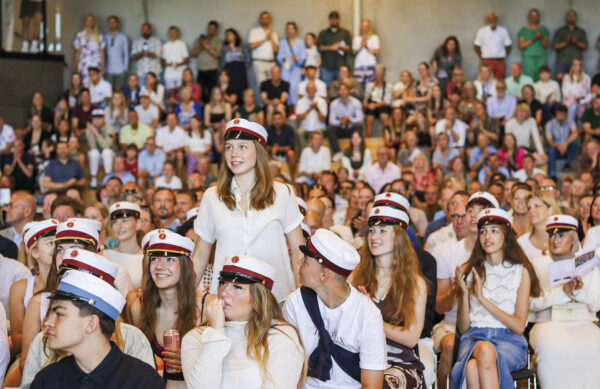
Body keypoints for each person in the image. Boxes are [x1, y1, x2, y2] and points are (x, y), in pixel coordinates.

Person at [193, 118, 304, 300]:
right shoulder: (211, 196)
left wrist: (303, 300)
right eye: (229, 147)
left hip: (275, 299)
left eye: (242, 147)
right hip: (225, 302)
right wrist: (183, 303)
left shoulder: (283, 193)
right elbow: (199, 257)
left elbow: (298, 252)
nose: (234, 154)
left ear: (258, 152)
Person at [181, 255, 306, 387]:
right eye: (223, 283)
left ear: (258, 298)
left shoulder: (280, 336)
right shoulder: (195, 337)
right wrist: (215, 331)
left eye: (237, 287)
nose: (224, 293)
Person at [284, 228, 386, 388]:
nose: (298, 263)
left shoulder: (367, 314)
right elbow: (288, 368)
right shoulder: (295, 303)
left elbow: (372, 386)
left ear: (324, 275)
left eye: (305, 261)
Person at [29, 270, 164, 388]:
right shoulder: (47, 381)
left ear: (91, 324)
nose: (48, 322)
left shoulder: (142, 382)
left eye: (59, 314)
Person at [452, 208, 539, 389]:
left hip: (509, 341)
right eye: (483, 231)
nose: (487, 236)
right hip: (473, 337)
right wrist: (465, 294)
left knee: (473, 367)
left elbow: (518, 325)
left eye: (494, 230)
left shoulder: (520, 272)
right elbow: (463, 327)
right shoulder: (471, 271)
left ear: (506, 236)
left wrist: (483, 300)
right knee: (481, 352)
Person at [352, 206, 427, 388]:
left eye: (383, 231)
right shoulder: (355, 276)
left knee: (380, 384)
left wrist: (372, 315)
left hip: (399, 362)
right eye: (371, 231)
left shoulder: (415, 284)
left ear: (398, 237)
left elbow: (411, 338)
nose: (374, 237)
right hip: (359, 357)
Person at [528, 215, 600, 389]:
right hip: (548, 323)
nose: (555, 240)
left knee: (595, 347)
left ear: (573, 239)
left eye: (561, 235)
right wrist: (561, 292)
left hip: (584, 322)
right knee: (553, 348)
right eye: (552, 235)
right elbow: (530, 303)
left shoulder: (588, 265)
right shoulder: (538, 265)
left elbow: (597, 305)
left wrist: (579, 290)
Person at [126, 230, 199, 387]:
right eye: (155, 259)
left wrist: (190, 361)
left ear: (184, 266)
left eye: (170, 259)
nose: (160, 266)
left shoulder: (203, 307)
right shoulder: (139, 308)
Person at [103, 202, 144, 289]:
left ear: (138, 224)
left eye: (125, 221)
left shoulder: (145, 259)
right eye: (115, 222)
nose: (119, 226)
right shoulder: (104, 256)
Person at [517, 190, 560, 260]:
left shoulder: (567, 238)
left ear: (550, 210)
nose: (531, 210)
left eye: (537, 206)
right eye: (529, 208)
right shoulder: (522, 242)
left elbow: (580, 266)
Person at [327, 82, 364, 159]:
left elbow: (360, 119)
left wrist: (349, 119)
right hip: (341, 129)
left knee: (359, 126)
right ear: (338, 92)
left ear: (349, 91)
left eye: (345, 89)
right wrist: (340, 122)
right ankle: (337, 152)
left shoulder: (356, 102)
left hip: (352, 130)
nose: (343, 92)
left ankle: (357, 151)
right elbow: (331, 120)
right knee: (330, 128)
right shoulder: (334, 103)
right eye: (341, 90)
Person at [473, 11, 512, 80]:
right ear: (487, 20)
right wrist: (482, 56)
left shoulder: (503, 31)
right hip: (487, 61)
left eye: (494, 19)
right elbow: (476, 46)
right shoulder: (482, 31)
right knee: (486, 80)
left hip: (500, 61)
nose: (492, 21)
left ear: (497, 20)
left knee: (499, 81)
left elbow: (508, 46)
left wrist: (503, 55)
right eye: (490, 19)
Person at [551, 10, 588, 81]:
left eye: (573, 16)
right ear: (566, 17)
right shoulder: (560, 31)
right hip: (562, 60)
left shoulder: (581, 31)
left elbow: (585, 47)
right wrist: (565, 42)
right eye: (569, 16)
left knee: (578, 79)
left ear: (576, 18)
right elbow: (554, 47)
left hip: (577, 60)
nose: (571, 18)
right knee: (560, 78)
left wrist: (576, 42)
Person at [317, 11, 352, 85]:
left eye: (335, 19)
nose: (333, 21)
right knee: (327, 88)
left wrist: (339, 47)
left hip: (341, 66)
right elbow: (319, 47)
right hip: (327, 66)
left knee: (343, 86)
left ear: (339, 20)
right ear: (329, 20)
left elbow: (349, 48)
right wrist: (331, 47)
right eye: (332, 19)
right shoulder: (323, 33)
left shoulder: (344, 33)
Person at [191, 21, 223, 103]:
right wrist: (201, 46)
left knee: (212, 92)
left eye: (213, 29)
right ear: (207, 29)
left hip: (213, 70)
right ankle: (203, 109)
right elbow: (192, 54)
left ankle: (212, 109)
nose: (211, 31)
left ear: (216, 31)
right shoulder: (199, 40)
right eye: (210, 29)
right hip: (201, 70)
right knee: (201, 92)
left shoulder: (218, 41)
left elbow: (217, 55)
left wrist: (207, 46)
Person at [277, 22, 306, 106]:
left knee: (295, 89)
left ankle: (295, 110)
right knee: (285, 89)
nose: (290, 31)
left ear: (295, 30)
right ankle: (287, 110)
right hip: (285, 69)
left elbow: (303, 58)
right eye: (288, 29)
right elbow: (279, 57)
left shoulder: (300, 42)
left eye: (292, 29)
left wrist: (297, 59)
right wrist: (283, 58)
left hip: (296, 70)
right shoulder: (282, 42)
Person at [545, 104, 578, 178]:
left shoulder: (570, 122)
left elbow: (575, 133)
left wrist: (565, 144)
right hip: (556, 148)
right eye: (558, 114)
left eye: (562, 114)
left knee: (574, 143)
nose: (560, 116)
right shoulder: (549, 124)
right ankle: (552, 173)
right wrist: (559, 146)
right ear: (555, 114)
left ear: (566, 114)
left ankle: (567, 163)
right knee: (552, 150)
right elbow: (549, 141)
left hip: (567, 147)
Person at [86, 109, 116, 188]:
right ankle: (93, 179)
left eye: (99, 118)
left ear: (104, 118)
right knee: (93, 152)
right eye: (95, 118)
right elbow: (93, 147)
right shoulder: (89, 129)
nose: (97, 120)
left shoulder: (110, 128)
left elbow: (106, 145)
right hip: (97, 156)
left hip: (109, 155)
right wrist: (91, 132)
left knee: (106, 152)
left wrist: (96, 133)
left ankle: (107, 177)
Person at [220, 29, 251, 105]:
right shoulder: (225, 48)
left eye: (230, 34)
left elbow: (248, 59)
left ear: (235, 35)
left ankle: (241, 106)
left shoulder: (242, 46)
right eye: (227, 35)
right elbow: (222, 61)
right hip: (229, 70)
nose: (228, 36)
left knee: (241, 88)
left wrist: (243, 68)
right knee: (231, 88)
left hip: (240, 70)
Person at [248, 11, 279, 88]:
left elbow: (275, 50)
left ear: (270, 20)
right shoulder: (254, 31)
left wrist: (270, 37)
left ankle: (272, 100)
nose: (265, 20)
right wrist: (265, 39)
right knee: (262, 85)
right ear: (260, 20)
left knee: (273, 85)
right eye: (263, 18)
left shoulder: (274, 33)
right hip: (259, 62)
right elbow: (252, 46)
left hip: (271, 62)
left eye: (267, 18)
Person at [518, 9, 549, 81]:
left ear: (539, 17)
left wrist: (540, 37)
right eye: (532, 16)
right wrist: (534, 38)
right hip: (528, 57)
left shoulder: (543, 29)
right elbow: (521, 46)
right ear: (529, 17)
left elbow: (546, 45)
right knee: (529, 78)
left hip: (541, 57)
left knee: (542, 76)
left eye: (536, 16)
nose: (534, 18)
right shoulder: (523, 30)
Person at [73, 15, 105, 86]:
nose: (89, 22)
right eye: (88, 20)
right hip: (84, 64)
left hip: (96, 63)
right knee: (84, 83)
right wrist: (75, 66)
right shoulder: (80, 35)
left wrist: (103, 66)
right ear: (85, 22)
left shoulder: (99, 36)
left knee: (96, 83)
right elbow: (78, 52)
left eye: (91, 20)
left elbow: (102, 52)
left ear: (94, 22)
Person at [364, 64, 392, 137]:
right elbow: (365, 101)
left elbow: (387, 101)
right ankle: (368, 134)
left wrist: (375, 105)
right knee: (370, 111)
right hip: (371, 106)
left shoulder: (388, 86)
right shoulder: (370, 86)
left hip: (382, 106)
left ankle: (387, 132)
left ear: (384, 75)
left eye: (380, 74)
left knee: (383, 109)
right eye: (377, 74)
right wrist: (368, 105)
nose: (379, 77)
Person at [562, 58, 592, 125]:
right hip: (570, 100)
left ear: (581, 67)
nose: (574, 66)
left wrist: (583, 101)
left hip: (582, 100)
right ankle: (570, 127)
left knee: (585, 106)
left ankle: (581, 128)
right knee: (573, 106)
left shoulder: (586, 78)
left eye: (576, 65)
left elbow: (589, 93)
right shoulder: (567, 77)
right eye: (573, 64)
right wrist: (574, 99)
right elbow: (565, 92)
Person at [104, 16, 129, 89]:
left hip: (120, 69)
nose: (112, 24)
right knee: (108, 91)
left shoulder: (123, 37)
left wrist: (125, 68)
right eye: (110, 23)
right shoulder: (105, 37)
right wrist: (104, 67)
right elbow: (103, 54)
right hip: (109, 69)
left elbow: (126, 53)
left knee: (119, 92)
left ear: (117, 24)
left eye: (113, 22)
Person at [352, 19, 379, 87]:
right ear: (361, 27)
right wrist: (361, 46)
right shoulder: (356, 38)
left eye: (367, 26)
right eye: (363, 26)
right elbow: (353, 52)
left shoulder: (374, 38)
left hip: (370, 65)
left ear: (369, 27)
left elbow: (376, 52)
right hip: (359, 65)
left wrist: (366, 46)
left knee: (369, 86)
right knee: (358, 86)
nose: (365, 28)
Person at [162, 26, 189, 92]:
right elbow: (163, 62)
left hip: (180, 72)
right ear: (168, 34)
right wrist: (170, 64)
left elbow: (186, 59)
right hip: (169, 73)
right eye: (170, 33)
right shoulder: (165, 46)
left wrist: (178, 64)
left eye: (174, 33)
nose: (172, 35)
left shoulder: (182, 44)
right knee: (170, 92)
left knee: (180, 92)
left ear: (178, 34)